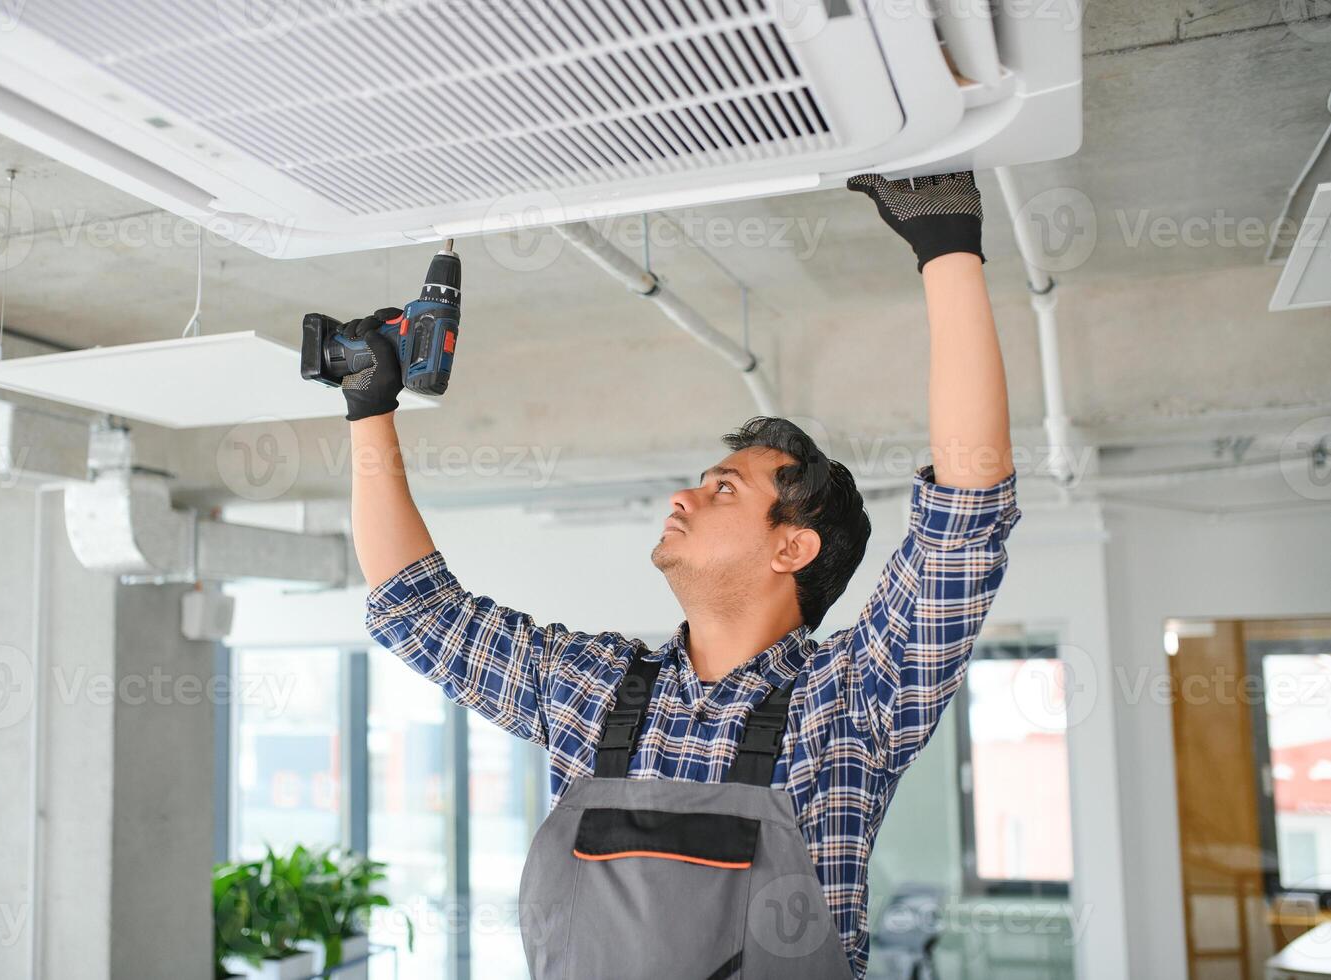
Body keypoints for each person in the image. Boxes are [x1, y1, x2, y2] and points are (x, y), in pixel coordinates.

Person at [335, 172, 1020, 979]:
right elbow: (419, 612)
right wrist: (367, 407)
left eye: (723, 487)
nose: (683, 495)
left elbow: (965, 514)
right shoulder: (594, 689)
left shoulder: (849, 703)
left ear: (791, 549)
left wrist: (945, 245)